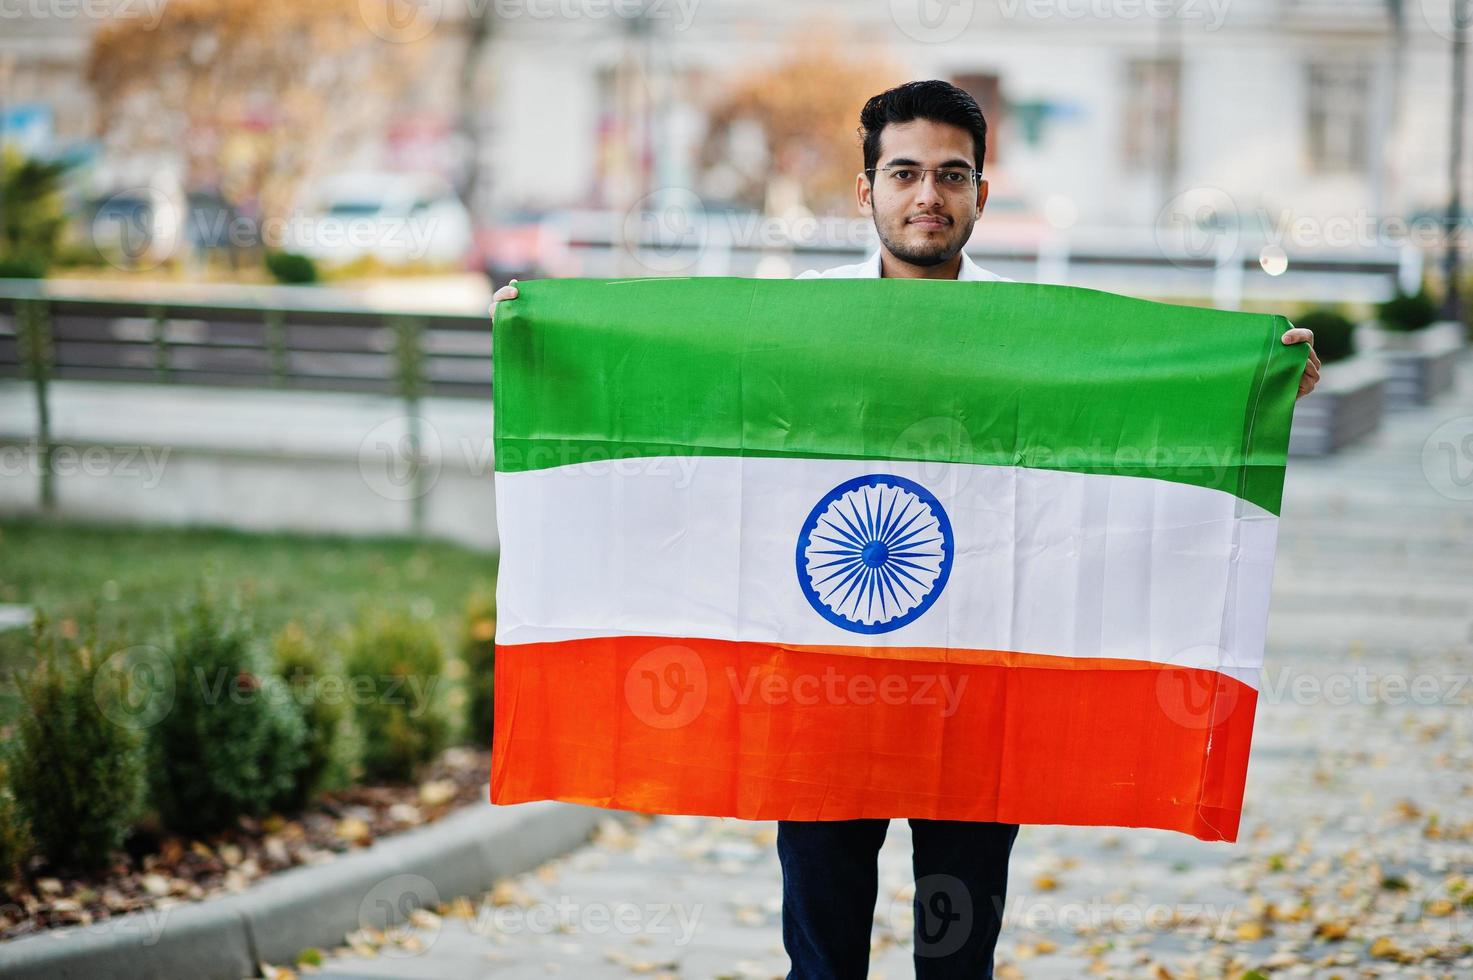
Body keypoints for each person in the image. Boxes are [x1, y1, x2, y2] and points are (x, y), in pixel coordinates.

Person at [489, 78, 1320, 979]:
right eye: (906, 173)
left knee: (957, 961)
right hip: (820, 688)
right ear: (866, 190)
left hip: (973, 690)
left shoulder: (1031, 336)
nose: (928, 195)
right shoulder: (796, 325)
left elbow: (1145, 405)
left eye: (952, 175)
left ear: (981, 195)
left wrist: (1259, 383)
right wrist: (544, 338)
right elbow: (678, 389)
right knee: (822, 957)